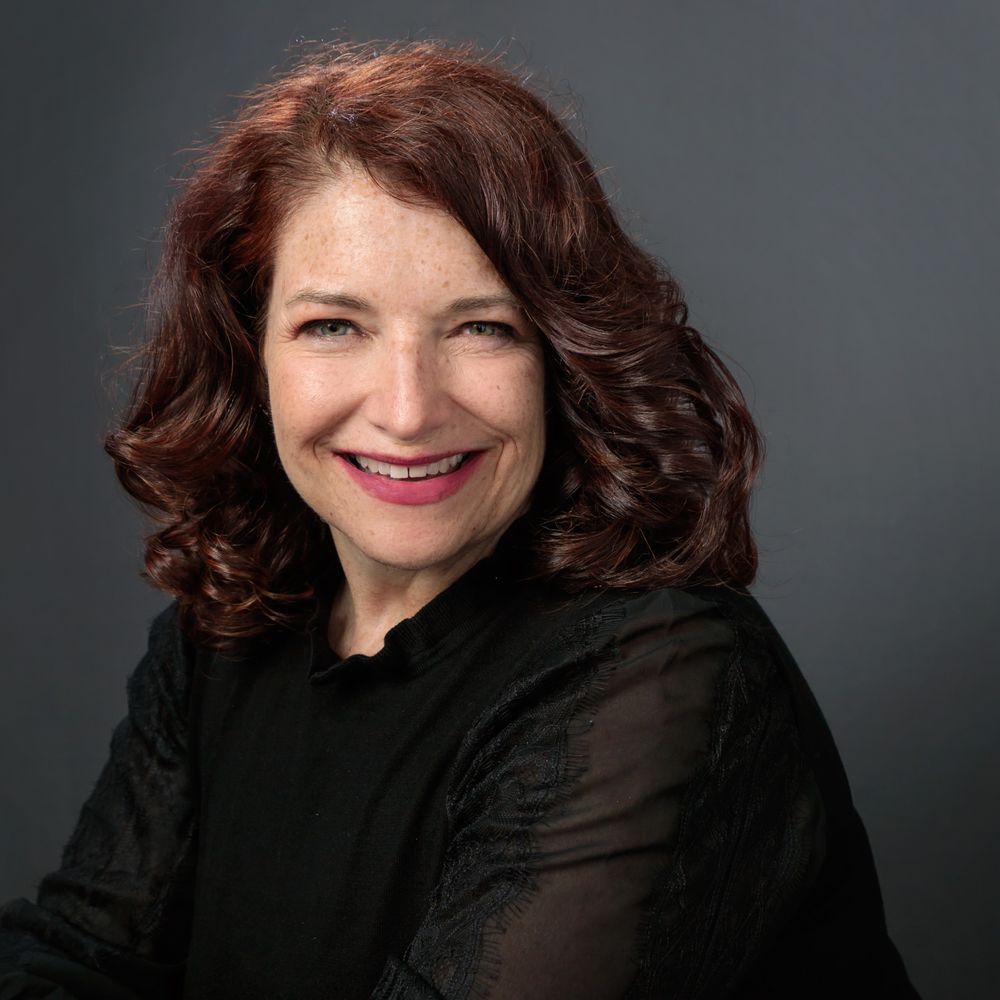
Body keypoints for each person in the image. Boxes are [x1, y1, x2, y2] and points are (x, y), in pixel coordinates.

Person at [0, 40, 920, 1000]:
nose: (407, 411)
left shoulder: (665, 674)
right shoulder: (223, 634)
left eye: (482, 327)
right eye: (333, 326)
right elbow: (76, 954)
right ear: (249, 353)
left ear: (564, 357)